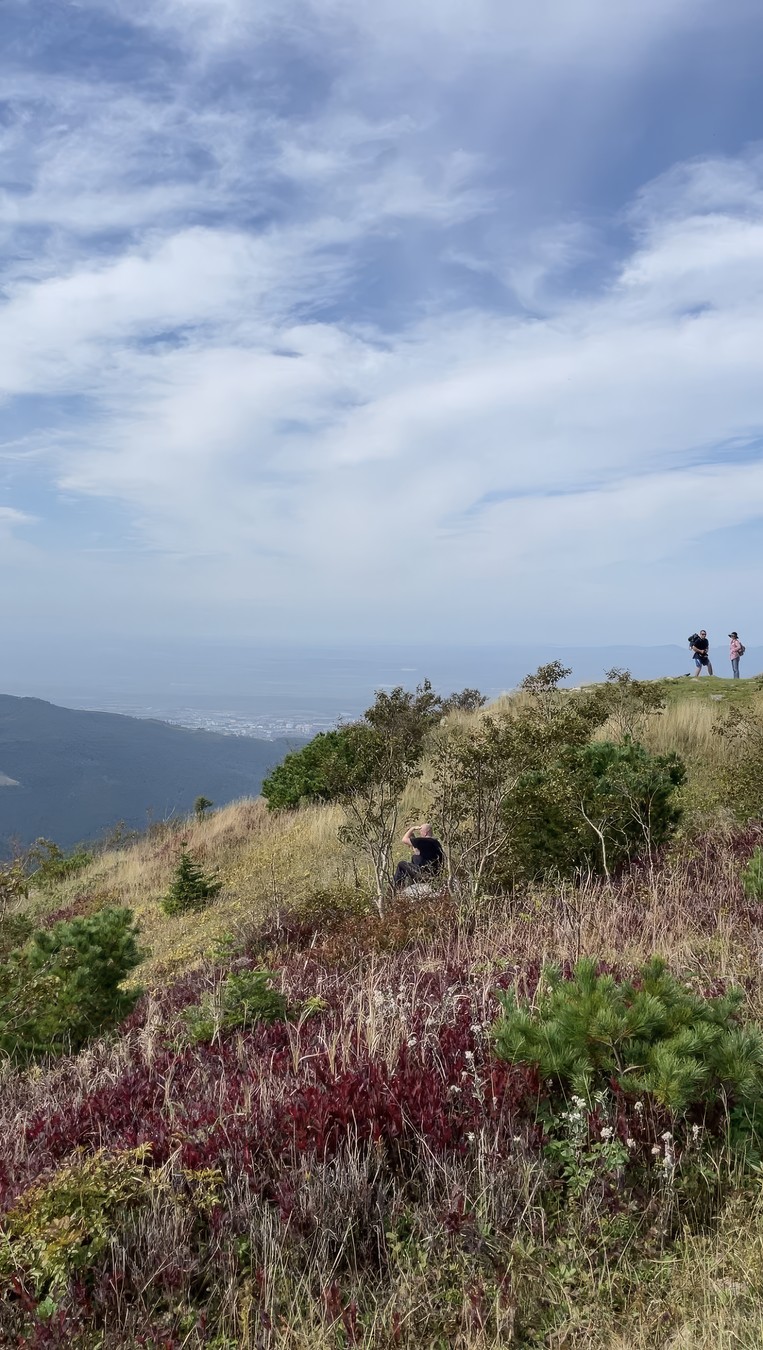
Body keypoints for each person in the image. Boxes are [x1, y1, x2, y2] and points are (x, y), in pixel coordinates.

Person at [393, 822, 444, 890]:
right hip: (434, 874)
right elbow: (417, 851)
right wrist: (413, 837)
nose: (420, 833)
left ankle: (396, 888)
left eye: (421, 831)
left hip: (423, 874)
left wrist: (412, 829)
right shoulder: (436, 843)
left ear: (426, 832)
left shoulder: (422, 841)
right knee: (415, 857)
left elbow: (404, 839)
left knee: (401, 864)